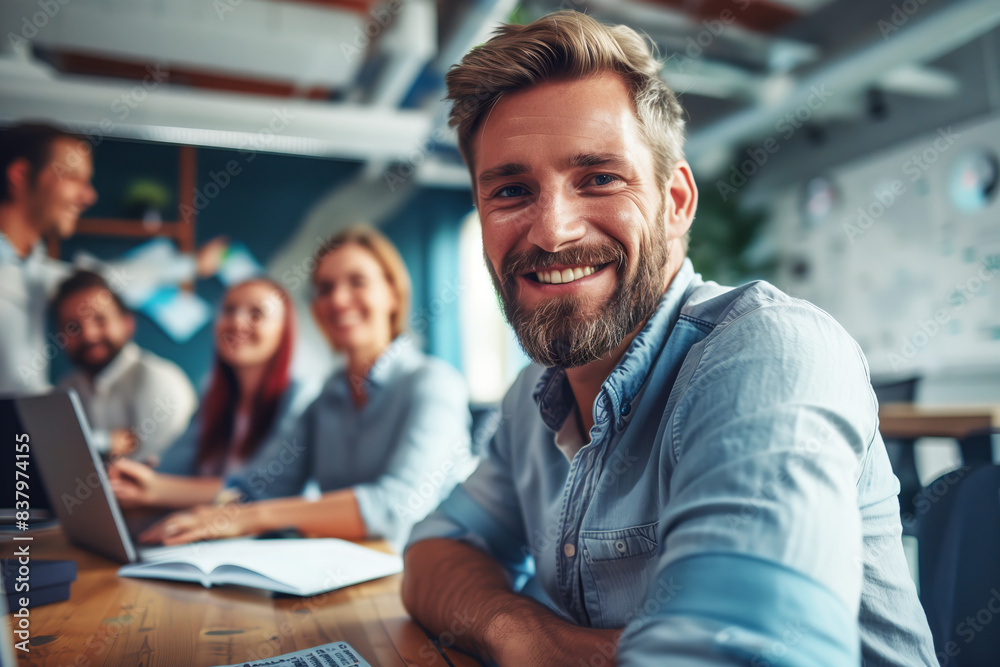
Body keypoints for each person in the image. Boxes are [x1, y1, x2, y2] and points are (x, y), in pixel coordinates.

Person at [401, 12, 937, 667]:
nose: (552, 232)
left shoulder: (769, 354)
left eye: (599, 177)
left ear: (677, 200)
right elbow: (435, 549)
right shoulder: (530, 403)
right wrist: (527, 635)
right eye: (512, 190)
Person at [139, 226, 474, 550]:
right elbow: (265, 486)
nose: (339, 300)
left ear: (393, 294)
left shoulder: (434, 383)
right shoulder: (327, 395)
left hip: (436, 578)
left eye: (357, 282)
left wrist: (248, 518)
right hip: (351, 574)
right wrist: (201, 512)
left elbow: (397, 506)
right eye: (325, 289)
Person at [0, 122, 226, 395]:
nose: (89, 196)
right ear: (21, 175)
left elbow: (109, 278)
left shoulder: (32, 271)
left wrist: (191, 265)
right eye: (73, 178)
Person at [109, 277, 314, 510]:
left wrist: (158, 488)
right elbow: (173, 467)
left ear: (283, 330)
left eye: (256, 314)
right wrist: (139, 478)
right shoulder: (213, 397)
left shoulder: (299, 399)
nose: (237, 322)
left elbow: (260, 489)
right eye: (229, 310)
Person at [54, 270, 197, 461]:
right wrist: (104, 442)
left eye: (99, 319)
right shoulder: (65, 389)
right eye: (73, 326)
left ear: (127, 324)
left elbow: (157, 476)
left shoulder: (161, 381)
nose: (88, 335)